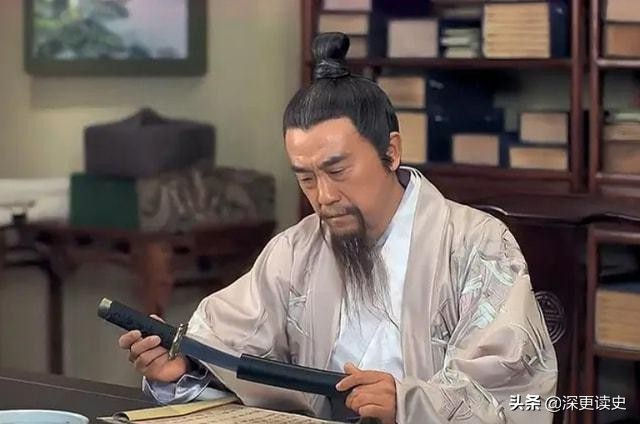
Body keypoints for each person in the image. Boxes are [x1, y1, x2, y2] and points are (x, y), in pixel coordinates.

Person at [118, 32, 557, 424]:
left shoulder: (476, 244)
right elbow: (226, 348)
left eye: (337, 170)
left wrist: (407, 403)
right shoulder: (295, 251)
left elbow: (516, 392)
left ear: (391, 152)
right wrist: (183, 367)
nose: (324, 195)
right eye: (306, 178)